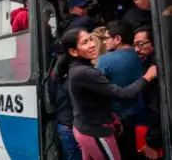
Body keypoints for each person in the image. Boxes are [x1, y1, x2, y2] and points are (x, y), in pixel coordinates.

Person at [56, 28, 157, 160]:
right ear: (73, 52)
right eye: (85, 42)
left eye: (91, 39)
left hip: (84, 128)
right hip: (96, 132)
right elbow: (124, 93)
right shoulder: (85, 72)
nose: (92, 44)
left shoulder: (77, 68)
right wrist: (148, 76)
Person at [96, 20, 144, 159]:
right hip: (143, 117)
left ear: (117, 39)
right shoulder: (142, 55)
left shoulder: (105, 60)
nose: (104, 42)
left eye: (106, 39)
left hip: (119, 120)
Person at [134, 25, 162, 159]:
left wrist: (152, 143)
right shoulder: (148, 63)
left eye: (140, 44)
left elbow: (155, 107)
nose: (136, 49)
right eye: (135, 45)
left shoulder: (156, 69)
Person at [49, 53, 82, 160]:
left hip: (63, 125)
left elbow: (52, 99)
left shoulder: (55, 79)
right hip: (74, 125)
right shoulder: (75, 80)